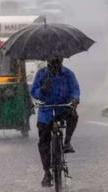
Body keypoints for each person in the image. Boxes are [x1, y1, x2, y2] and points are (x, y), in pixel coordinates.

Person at [31, 57, 80, 187]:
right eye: (52, 63)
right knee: (43, 142)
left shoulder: (68, 74)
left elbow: (75, 90)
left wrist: (75, 100)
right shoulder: (41, 74)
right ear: (48, 63)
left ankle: (67, 142)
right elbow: (33, 92)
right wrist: (42, 90)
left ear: (61, 61)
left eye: (57, 62)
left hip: (63, 108)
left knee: (73, 116)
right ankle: (47, 172)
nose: (55, 66)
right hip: (46, 111)